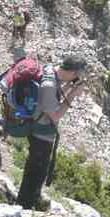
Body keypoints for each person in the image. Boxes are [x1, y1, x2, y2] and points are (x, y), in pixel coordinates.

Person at [16, 54, 88, 209]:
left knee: (36, 172)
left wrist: (70, 86)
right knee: (36, 173)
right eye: (78, 74)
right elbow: (55, 115)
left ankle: (28, 202)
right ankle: (25, 206)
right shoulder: (49, 84)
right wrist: (72, 95)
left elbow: (54, 96)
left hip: (40, 131)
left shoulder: (50, 71)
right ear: (72, 72)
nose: (78, 77)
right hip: (40, 135)